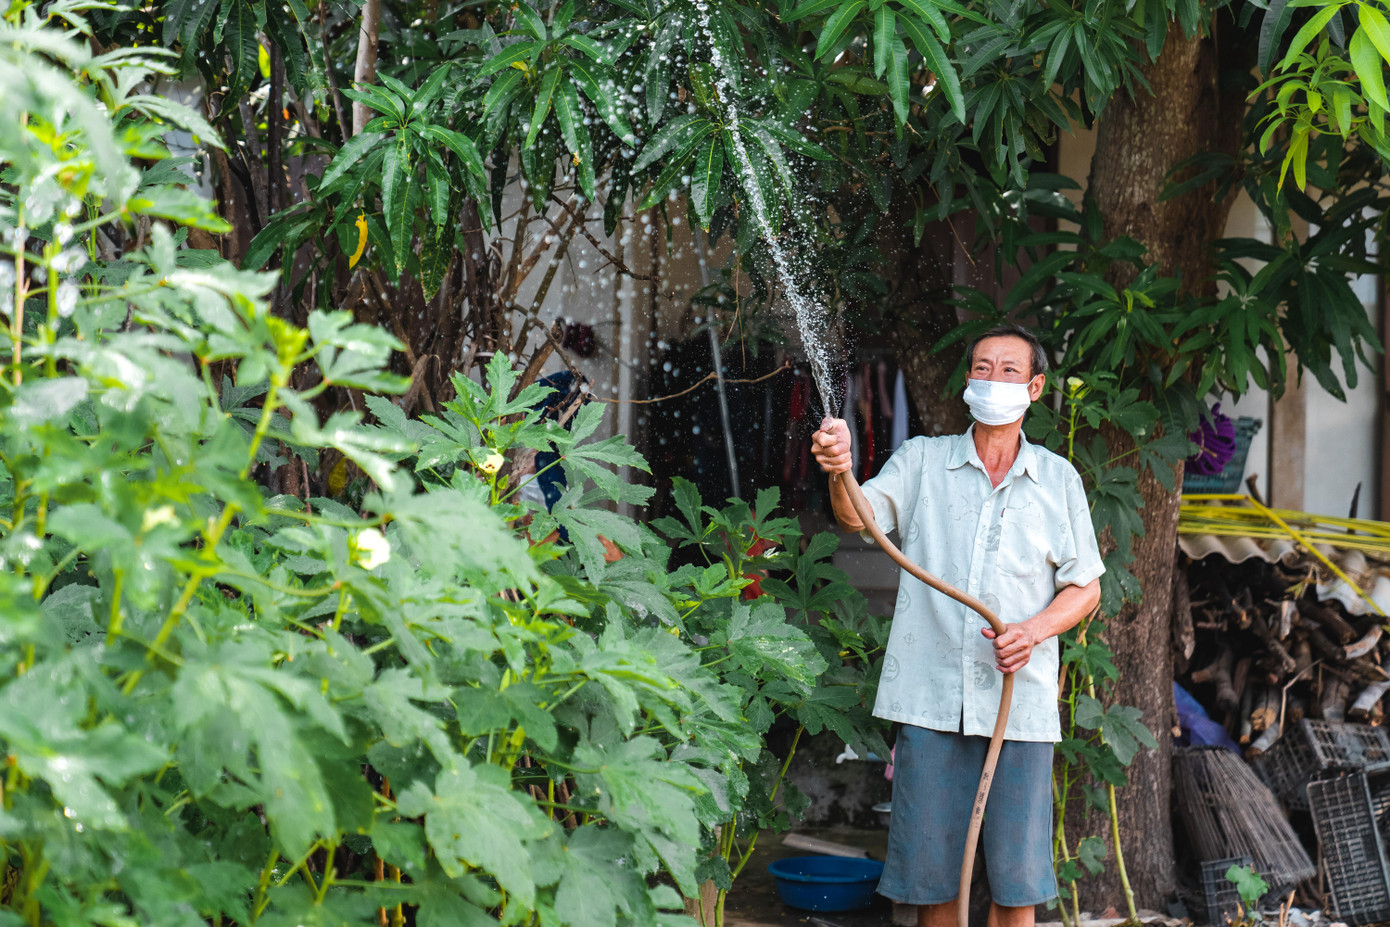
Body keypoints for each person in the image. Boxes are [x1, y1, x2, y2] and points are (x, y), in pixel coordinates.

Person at [810, 325, 1104, 927]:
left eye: (1007, 370)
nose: (991, 380)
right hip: (930, 703)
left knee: (1017, 894)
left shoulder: (1058, 480)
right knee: (934, 890)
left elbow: (1087, 586)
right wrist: (840, 470)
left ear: (1036, 387)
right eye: (981, 367)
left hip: (1018, 713)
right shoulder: (921, 459)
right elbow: (856, 518)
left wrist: (1035, 630)